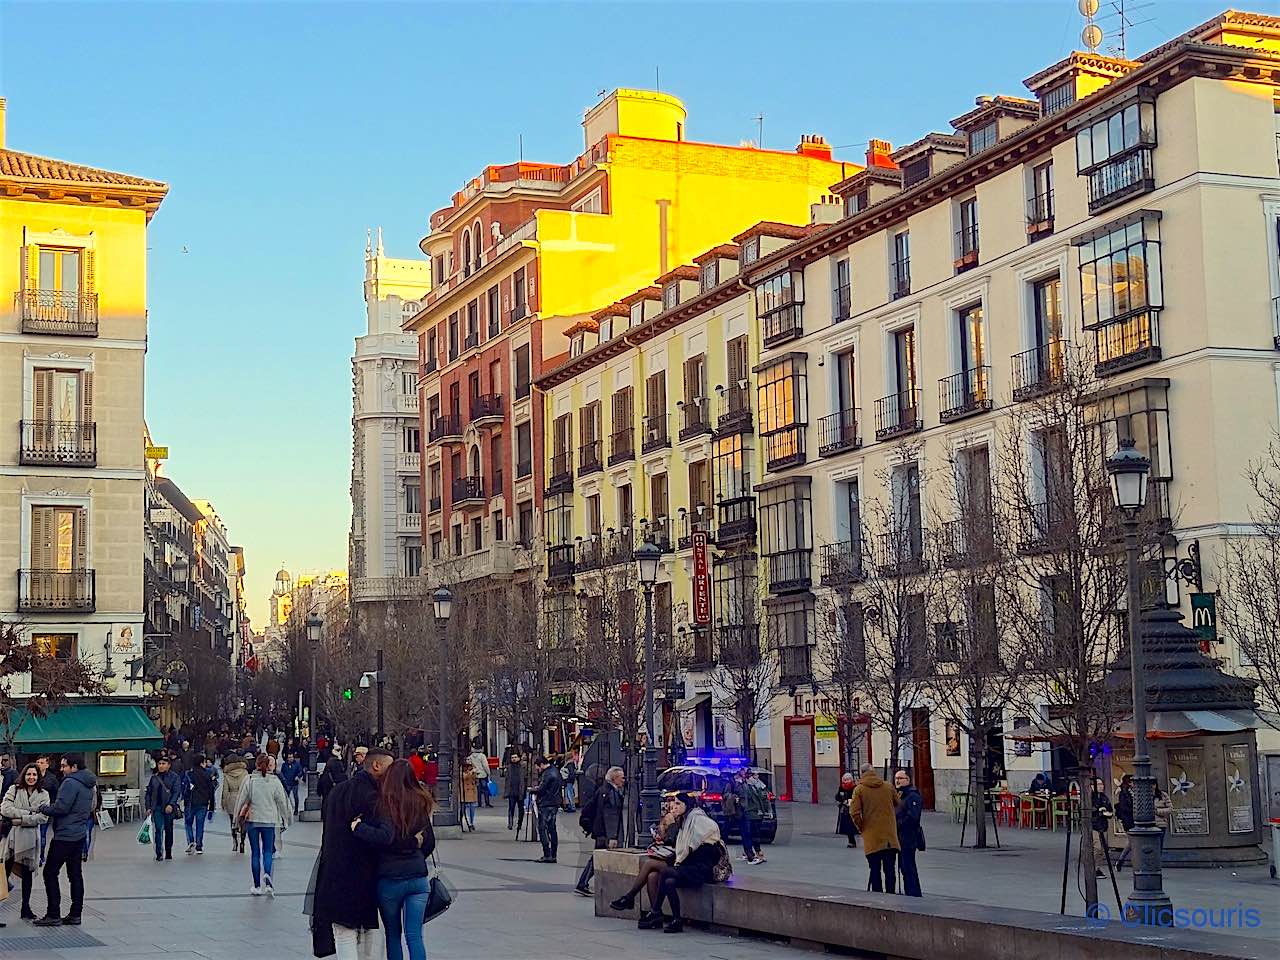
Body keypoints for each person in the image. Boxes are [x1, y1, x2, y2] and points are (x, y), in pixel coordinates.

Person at [310, 746, 394, 960]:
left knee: (343, 933)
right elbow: (383, 837)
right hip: (366, 873)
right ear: (376, 765)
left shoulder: (338, 792)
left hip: (333, 871)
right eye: (389, 767)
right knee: (371, 930)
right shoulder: (374, 796)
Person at [352, 759, 437, 960]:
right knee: (415, 936)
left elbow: (383, 839)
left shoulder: (383, 803)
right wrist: (415, 855)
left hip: (389, 879)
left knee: (392, 935)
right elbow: (429, 842)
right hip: (418, 878)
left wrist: (359, 827)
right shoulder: (421, 801)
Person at [641, 792, 725, 933]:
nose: (674, 806)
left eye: (678, 803)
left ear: (688, 805)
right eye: (674, 803)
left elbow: (690, 847)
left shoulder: (699, 820)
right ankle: (676, 920)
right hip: (689, 868)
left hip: (702, 869)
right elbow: (676, 843)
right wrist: (667, 826)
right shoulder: (685, 820)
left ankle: (654, 911)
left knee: (665, 871)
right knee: (668, 882)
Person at [35, 753, 94, 926]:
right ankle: (76, 914)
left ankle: (53, 914)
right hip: (79, 834)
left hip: (65, 835)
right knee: (75, 875)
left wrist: (44, 808)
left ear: (74, 767)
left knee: (50, 872)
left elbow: (61, 808)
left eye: (63, 766)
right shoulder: (88, 783)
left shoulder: (70, 782)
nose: (61, 769)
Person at [235, 753, 291, 896]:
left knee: (255, 853)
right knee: (267, 851)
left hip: (253, 820)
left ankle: (257, 885)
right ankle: (267, 876)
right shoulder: (274, 781)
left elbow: (241, 800)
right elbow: (282, 801)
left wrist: (236, 819)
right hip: (269, 820)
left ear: (257, 765)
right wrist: (287, 818)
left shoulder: (250, 780)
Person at [2, 762, 50, 920]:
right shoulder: (14, 789)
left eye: (34, 774)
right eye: (29, 774)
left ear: (39, 776)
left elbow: (43, 817)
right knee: (4, 874)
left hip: (30, 839)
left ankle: (25, 907)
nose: (31, 777)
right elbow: (5, 809)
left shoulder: (44, 794)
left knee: (27, 876)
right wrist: (29, 814)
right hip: (12, 839)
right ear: (24, 775)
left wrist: (19, 819)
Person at [849, 764, 900, 894]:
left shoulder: (859, 789)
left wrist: (862, 827)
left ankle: (877, 898)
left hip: (872, 837)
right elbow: (899, 804)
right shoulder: (888, 786)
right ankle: (891, 895)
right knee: (890, 869)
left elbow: (854, 812)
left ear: (861, 773)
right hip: (890, 836)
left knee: (875, 869)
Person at [575, 765, 624, 896]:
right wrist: (612, 836)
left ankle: (583, 883)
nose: (624, 780)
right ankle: (584, 883)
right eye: (621, 778)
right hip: (605, 833)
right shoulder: (610, 793)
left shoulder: (603, 790)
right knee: (598, 858)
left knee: (597, 857)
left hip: (600, 831)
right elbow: (610, 816)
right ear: (614, 778)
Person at [893, 769, 925, 897]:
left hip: (908, 837)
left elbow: (913, 817)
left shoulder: (912, 796)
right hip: (899, 837)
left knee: (909, 867)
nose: (897, 780)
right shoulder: (899, 794)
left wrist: (897, 824)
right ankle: (909, 892)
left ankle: (914, 893)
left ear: (908, 780)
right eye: (896, 778)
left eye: (901, 778)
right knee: (904, 867)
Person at [145, 754, 182, 862]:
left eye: (163, 764)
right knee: (158, 830)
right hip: (157, 808)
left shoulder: (174, 777)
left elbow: (176, 792)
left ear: (169, 765)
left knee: (169, 830)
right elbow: (149, 793)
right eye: (159, 764)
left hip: (168, 808)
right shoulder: (154, 778)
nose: (161, 766)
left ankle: (168, 850)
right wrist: (148, 806)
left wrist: (171, 804)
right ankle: (159, 852)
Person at [530, 755, 562, 863]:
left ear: (542, 765)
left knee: (542, 828)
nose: (538, 770)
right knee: (552, 829)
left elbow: (542, 789)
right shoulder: (555, 771)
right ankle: (554, 854)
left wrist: (533, 790)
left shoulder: (547, 774)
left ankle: (547, 854)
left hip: (546, 803)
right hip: (555, 803)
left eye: (538, 767)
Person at [184, 755, 216, 855]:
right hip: (203, 803)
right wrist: (211, 806)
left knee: (188, 823)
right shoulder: (207, 774)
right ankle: (199, 846)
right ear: (202, 762)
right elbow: (211, 790)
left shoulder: (189, 774)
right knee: (200, 825)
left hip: (190, 802)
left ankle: (191, 841)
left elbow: (185, 789)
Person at [221, 753, 249, 853]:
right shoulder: (245, 773)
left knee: (233, 821)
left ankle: (234, 840)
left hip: (231, 799)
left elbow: (225, 790)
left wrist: (223, 802)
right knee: (243, 822)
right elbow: (247, 788)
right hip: (243, 799)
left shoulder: (227, 774)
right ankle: (242, 841)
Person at [34, 755, 59, 866]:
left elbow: (56, 793)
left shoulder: (51, 778)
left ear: (47, 765)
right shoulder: (32, 776)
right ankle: (34, 855)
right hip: (33, 809)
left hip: (46, 809)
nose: (39, 764)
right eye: (38, 762)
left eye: (42, 762)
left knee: (42, 833)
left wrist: (52, 806)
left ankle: (41, 856)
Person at [740, 769, 769, 864]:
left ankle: (757, 852)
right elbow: (745, 800)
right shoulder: (745, 787)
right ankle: (750, 856)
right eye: (755, 776)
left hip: (757, 813)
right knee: (748, 834)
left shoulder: (757, 786)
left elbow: (762, 799)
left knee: (756, 834)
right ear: (750, 777)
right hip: (749, 814)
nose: (757, 777)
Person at [1090, 776, 1114, 878]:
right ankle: (1094, 868)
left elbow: (1110, 810)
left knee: (1103, 849)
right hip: (1093, 825)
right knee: (1097, 847)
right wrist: (1098, 810)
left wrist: (1107, 813)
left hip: (1103, 825)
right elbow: (1087, 810)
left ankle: (1097, 868)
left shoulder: (1104, 797)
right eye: (1099, 785)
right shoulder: (1090, 797)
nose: (1101, 787)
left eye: (1102, 784)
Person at [318, 746, 350, 811]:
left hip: (328, 784)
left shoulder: (330, 761)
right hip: (332, 784)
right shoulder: (336, 762)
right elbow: (339, 774)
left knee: (326, 800)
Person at [1114, 775, 1136, 870]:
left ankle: (1121, 861)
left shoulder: (1133, 792)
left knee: (1131, 842)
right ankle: (1131, 862)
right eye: (1132, 782)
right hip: (1128, 820)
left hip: (1133, 819)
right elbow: (1124, 808)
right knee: (1133, 842)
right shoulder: (1124, 793)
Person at [835, 772, 858, 848]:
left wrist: (850, 800)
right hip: (845, 809)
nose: (845, 782)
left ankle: (853, 840)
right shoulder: (841, 788)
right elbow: (837, 796)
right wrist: (841, 800)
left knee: (853, 825)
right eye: (844, 780)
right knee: (848, 825)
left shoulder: (855, 788)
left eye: (847, 780)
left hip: (853, 808)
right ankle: (851, 841)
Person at [504, 752, 526, 833]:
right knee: (511, 808)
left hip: (520, 791)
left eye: (515, 757)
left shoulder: (523, 767)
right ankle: (510, 823)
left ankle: (519, 823)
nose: (513, 759)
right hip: (512, 791)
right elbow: (507, 780)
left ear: (519, 758)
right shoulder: (509, 767)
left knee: (521, 809)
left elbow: (525, 778)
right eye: (512, 757)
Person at [280, 752, 305, 817]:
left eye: (291, 757)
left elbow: (300, 771)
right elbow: (282, 773)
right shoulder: (284, 765)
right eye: (289, 757)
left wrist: (298, 776)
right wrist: (283, 779)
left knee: (295, 796)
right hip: (287, 783)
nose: (290, 759)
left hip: (294, 783)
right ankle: (286, 810)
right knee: (286, 797)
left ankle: (296, 809)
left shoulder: (297, 764)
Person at [466, 742, 492, 807]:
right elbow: (485, 765)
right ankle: (487, 802)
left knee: (478, 789)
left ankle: (479, 803)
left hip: (475, 774)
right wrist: (488, 773)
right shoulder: (482, 756)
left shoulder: (470, 756)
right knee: (485, 789)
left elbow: (468, 764)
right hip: (483, 774)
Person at [460, 762, 479, 832]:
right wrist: (470, 772)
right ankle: (462, 823)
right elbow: (464, 777)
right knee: (463, 809)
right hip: (464, 793)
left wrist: (474, 773)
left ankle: (471, 823)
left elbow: (476, 780)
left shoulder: (472, 771)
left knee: (472, 808)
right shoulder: (460, 771)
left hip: (471, 792)